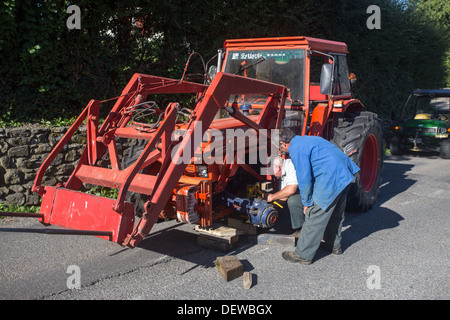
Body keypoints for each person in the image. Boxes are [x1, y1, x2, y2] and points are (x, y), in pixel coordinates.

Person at [278, 128, 360, 264]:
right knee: (335, 214)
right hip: (345, 174)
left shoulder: (296, 148)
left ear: (284, 143)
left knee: (314, 213)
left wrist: (307, 202)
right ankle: (333, 245)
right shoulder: (307, 139)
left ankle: (303, 255)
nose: (281, 150)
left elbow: (304, 178)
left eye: (280, 147)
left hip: (331, 177)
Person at [266, 156, 304, 237]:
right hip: (303, 195)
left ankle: (303, 230)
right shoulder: (282, 175)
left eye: (271, 171)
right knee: (286, 203)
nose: (271, 174)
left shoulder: (291, 165)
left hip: (314, 195)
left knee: (293, 201)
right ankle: (289, 226)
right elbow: (284, 196)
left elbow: (291, 190)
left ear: (279, 168)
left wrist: (272, 197)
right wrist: (270, 207)